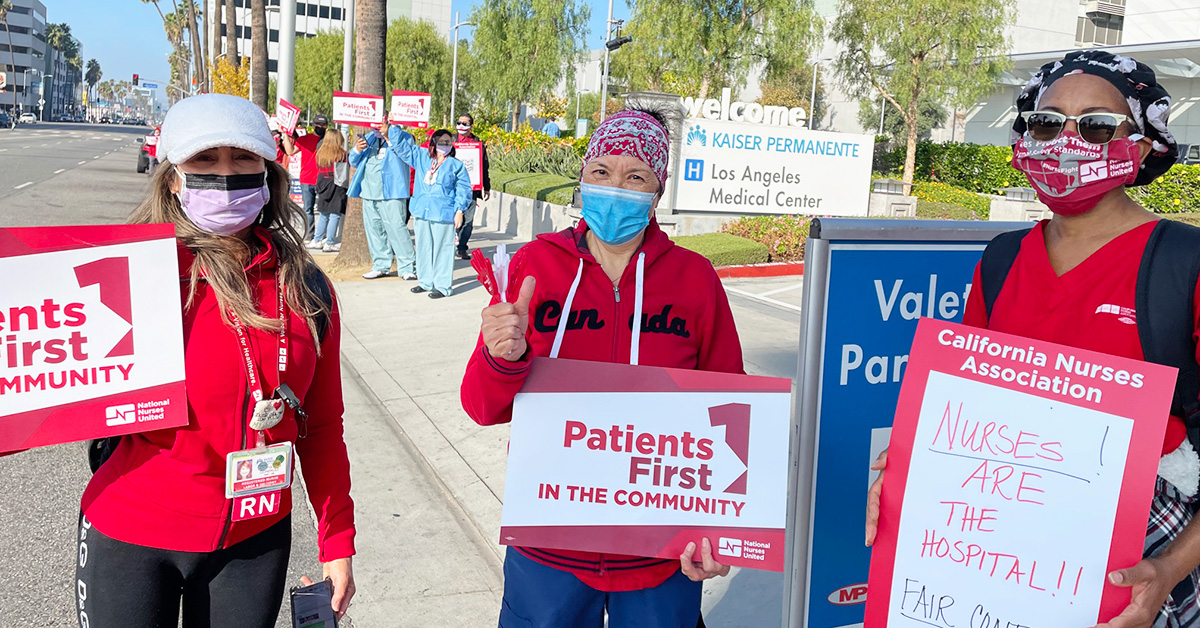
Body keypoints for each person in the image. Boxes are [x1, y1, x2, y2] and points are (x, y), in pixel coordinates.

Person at [864, 50, 1200, 628]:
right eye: (1047, 122)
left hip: (1133, 566)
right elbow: (961, 412)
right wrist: (901, 478)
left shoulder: (1186, 264)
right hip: (994, 559)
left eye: (1096, 125)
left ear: (1142, 144)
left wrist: (1168, 570)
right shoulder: (1001, 260)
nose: (1066, 140)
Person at [75, 93, 356, 628]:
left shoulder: (308, 288)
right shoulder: (131, 273)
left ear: (270, 174)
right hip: (131, 534)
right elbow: (51, 384)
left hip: (253, 542)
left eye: (244, 159)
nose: (226, 176)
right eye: (205, 160)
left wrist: (337, 539)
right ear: (173, 177)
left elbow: (321, 427)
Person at [460, 107, 744, 627]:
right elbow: (481, 407)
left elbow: (732, 410)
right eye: (601, 172)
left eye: (636, 175)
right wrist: (501, 355)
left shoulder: (695, 280)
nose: (617, 186)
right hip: (548, 552)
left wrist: (720, 532)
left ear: (658, 192)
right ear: (583, 178)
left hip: (662, 557)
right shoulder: (535, 267)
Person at [388, 128, 473, 299]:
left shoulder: (456, 165)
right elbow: (400, 147)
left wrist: (459, 210)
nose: (445, 145)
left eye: (448, 142)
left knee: (443, 249)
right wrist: (394, 126)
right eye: (441, 141)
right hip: (422, 211)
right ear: (433, 143)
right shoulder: (422, 158)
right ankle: (426, 282)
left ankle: (443, 286)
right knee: (423, 247)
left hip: (443, 212)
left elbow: (464, 189)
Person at [349, 122, 417, 280]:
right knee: (374, 230)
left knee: (397, 228)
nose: (377, 129)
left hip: (393, 192)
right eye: (374, 126)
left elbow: (407, 155)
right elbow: (353, 160)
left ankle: (407, 266)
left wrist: (390, 135)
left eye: (380, 125)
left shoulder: (403, 137)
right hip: (370, 192)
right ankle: (380, 265)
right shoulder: (369, 138)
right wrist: (357, 149)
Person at [282, 113, 329, 241]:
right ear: (313, 125)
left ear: (326, 126)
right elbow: (290, 151)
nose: (320, 127)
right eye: (318, 124)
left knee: (324, 210)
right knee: (308, 209)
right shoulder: (304, 139)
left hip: (324, 179)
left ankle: (322, 235)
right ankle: (309, 235)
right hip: (307, 179)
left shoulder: (329, 140)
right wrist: (285, 134)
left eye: (323, 125)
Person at [453, 114, 492, 260]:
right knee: (453, 217)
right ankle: (453, 240)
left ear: (471, 126)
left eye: (465, 123)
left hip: (472, 188)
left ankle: (462, 248)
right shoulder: (450, 140)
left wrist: (486, 186)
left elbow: (484, 166)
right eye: (459, 123)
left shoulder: (477, 143)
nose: (461, 126)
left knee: (468, 220)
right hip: (452, 187)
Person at [311, 127, 350, 253]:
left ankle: (317, 239)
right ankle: (330, 242)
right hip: (336, 184)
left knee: (323, 213)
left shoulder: (320, 152)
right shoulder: (342, 154)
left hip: (322, 182)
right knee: (335, 214)